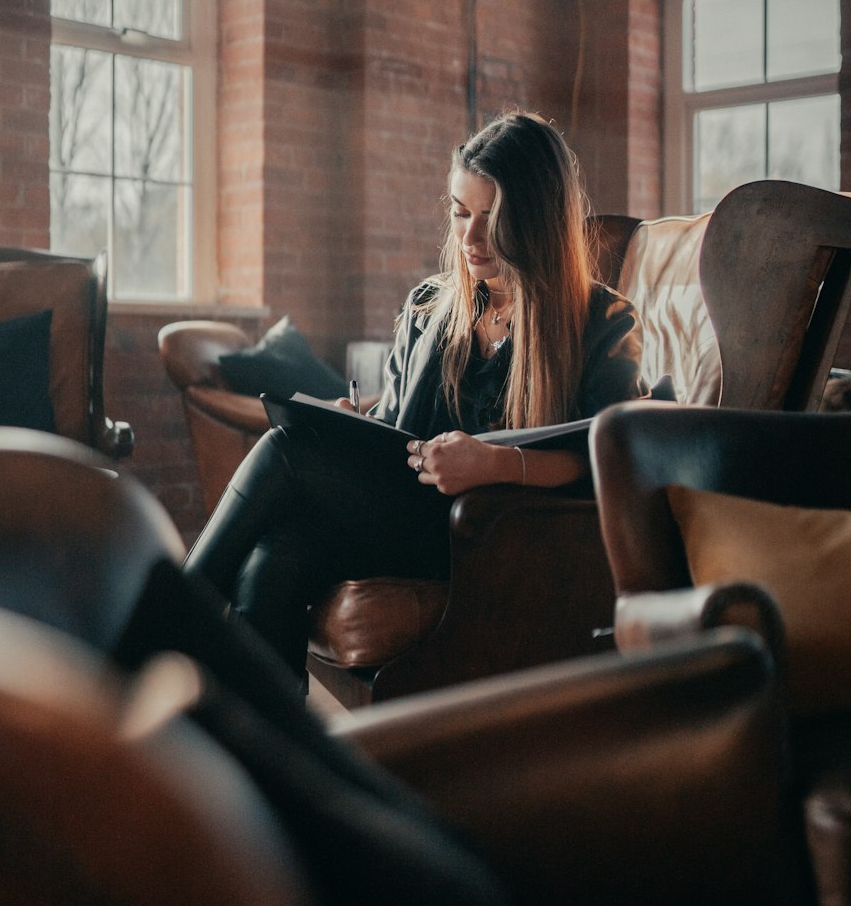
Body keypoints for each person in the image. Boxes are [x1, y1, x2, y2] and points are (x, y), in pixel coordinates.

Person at [182, 109, 646, 685]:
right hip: (406, 515)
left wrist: (494, 464)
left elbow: (613, 458)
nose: (471, 238)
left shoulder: (602, 321)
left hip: (495, 532)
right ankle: (273, 758)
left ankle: (166, 626)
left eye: (492, 217)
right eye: (459, 213)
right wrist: (359, 427)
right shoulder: (431, 305)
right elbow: (397, 422)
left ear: (538, 219)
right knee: (276, 553)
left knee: (285, 449)